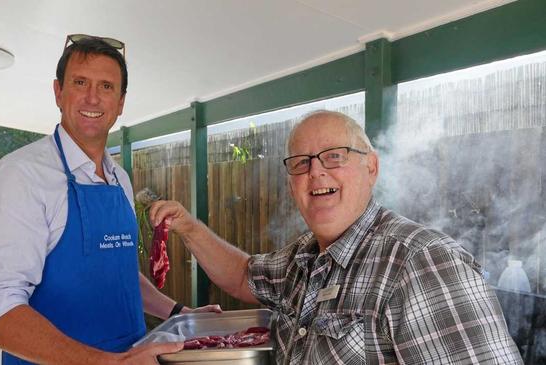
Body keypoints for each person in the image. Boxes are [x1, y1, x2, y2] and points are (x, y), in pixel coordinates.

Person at [150, 110, 523, 364]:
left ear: (371, 167)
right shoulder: (303, 259)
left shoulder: (422, 262)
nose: (316, 173)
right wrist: (188, 226)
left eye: (334, 156)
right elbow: (242, 274)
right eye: (302, 163)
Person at [0, 35, 220, 365]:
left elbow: (117, 273)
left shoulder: (119, 178)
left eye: (106, 87)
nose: (93, 97)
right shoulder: (21, 176)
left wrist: (180, 314)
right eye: (80, 82)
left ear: (120, 103)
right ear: (58, 92)